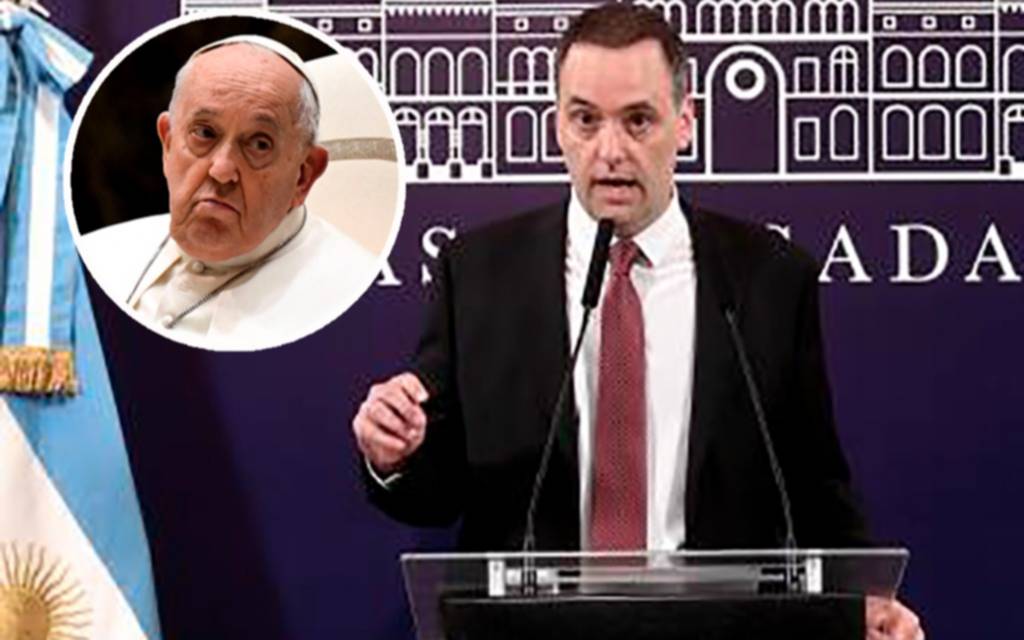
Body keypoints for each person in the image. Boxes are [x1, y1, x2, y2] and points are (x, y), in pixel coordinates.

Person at [352, 4, 923, 638]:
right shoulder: (479, 274)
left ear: (685, 122)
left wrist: (867, 601)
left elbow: (813, 487)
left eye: (638, 120)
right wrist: (394, 453)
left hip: (721, 631)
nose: (610, 151)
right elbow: (436, 494)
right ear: (557, 125)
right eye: (586, 119)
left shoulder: (770, 278)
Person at [79, 35, 377, 350]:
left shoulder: (351, 295)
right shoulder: (96, 254)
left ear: (303, 176)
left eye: (259, 144)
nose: (221, 170)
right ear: (167, 143)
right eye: (204, 133)